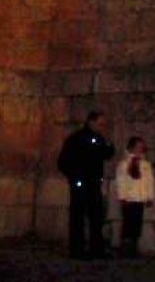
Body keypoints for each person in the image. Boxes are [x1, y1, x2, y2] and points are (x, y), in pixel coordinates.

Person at [57, 110, 115, 259]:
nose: (102, 127)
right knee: (78, 215)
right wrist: (75, 178)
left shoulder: (99, 138)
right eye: (100, 124)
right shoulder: (76, 139)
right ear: (91, 122)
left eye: (103, 125)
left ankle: (96, 248)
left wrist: (110, 145)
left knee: (96, 216)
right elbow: (63, 161)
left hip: (94, 183)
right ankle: (77, 249)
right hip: (80, 183)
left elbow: (106, 155)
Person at [115, 136, 155, 257]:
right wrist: (122, 197)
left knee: (137, 224)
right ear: (131, 148)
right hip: (129, 199)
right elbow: (121, 181)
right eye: (137, 147)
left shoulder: (145, 165)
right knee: (128, 223)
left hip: (140, 198)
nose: (139, 149)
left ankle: (133, 248)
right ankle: (125, 248)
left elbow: (149, 181)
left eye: (141, 147)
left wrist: (149, 196)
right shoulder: (124, 164)